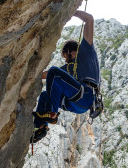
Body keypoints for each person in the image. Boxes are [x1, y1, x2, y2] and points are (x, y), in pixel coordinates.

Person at [31, 10, 102, 143]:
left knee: (54, 72)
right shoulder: (68, 69)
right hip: (76, 104)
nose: (65, 60)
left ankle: (52, 113)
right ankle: (41, 127)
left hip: (86, 96)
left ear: (69, 51)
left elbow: (89, 19)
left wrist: (71, 10)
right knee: (46, 95)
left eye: (65, 56)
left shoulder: (85, 53)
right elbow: (44, 76)